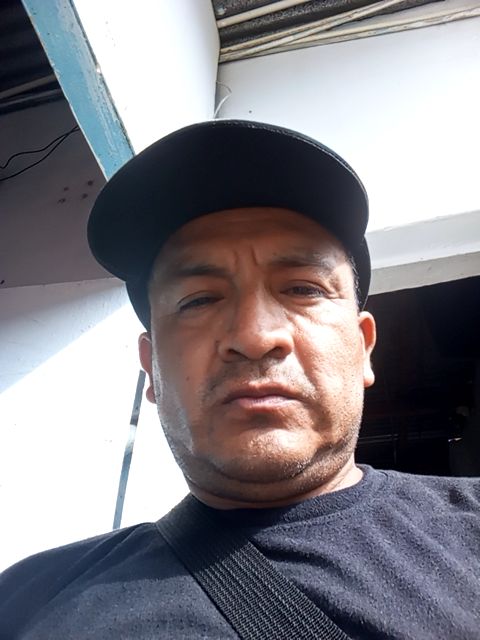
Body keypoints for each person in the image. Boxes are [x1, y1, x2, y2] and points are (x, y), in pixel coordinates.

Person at [0, 120, 479, 640]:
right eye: (199, 300)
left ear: (363, 347)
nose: (254, 336)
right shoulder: (26, 601)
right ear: (151, 367)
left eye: (303, 289)